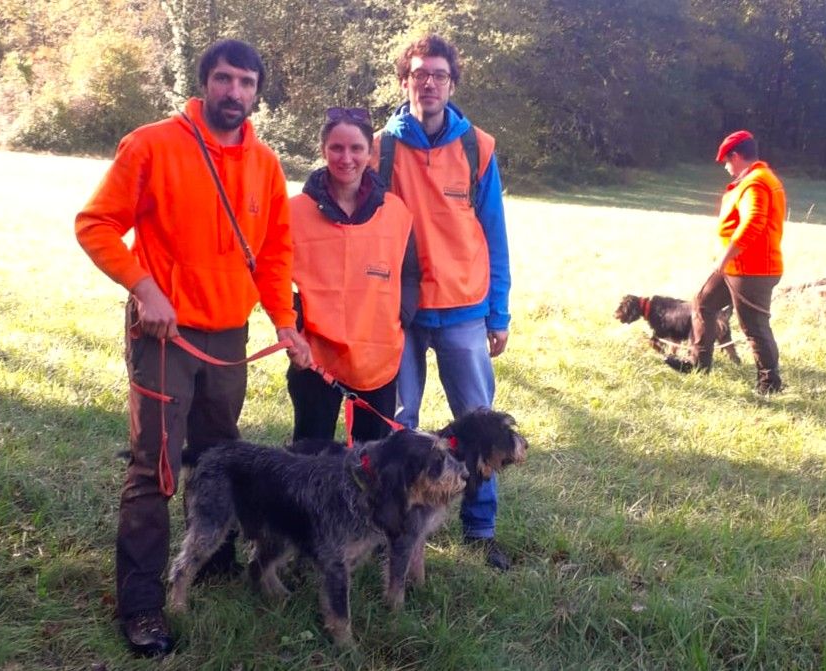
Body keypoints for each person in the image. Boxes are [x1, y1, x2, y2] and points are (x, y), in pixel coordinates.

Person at [74, 39, 311, 656]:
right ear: (205, 82)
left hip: (229, 336)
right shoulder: (152, 145)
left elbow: (274, 253)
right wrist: (145, 289)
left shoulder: (265, 164)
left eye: (247, 82)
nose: (235, 92)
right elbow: (96, 224)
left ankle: (211, 558)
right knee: (155, 464)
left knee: (216, 453)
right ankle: (142, 604)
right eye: (225, 79)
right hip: (165, 334)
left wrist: (285, 322)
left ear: (257, 93)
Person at [372, 35, 513, 570]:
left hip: (464, 310)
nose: (428, 83)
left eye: (438, 74)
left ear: (452, 83)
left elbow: (494, 233)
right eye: (418, 74)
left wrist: (498, 311)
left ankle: (480, 528)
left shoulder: (477, 146)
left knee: (477, 425)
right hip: (400, 313)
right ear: (404, 81)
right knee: (398, 424)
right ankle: (393, 526)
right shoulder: (381, 148)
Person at [287, 108, 419, 441]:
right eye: (337, 148)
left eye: (356, 148)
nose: (346, 158)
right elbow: (271, 274)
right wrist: (293, 323)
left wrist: (401, 315)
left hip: (377, 356)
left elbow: (410, 272)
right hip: (315, 357)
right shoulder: (293, 212)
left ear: (370, 152)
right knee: (310, 456)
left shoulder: (396, 212)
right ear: (323, 150)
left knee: (375, 459)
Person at [664, 130, 785, 394]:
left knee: (754, 326)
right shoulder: (755, 179)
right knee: (703, 303)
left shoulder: (756, 182)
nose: (726, 167)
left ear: (736, 156)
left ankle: (770, 385)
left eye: (727, 161)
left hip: (752, 269)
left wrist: (725, 256)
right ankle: (698, 365)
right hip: (736, 266)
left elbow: (753, 223)